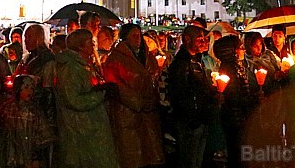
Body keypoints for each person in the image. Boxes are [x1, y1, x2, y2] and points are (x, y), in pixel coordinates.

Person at [54, 28, 119, 168]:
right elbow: (73, 99)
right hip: (81, 131)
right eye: (90, 42)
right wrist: (101, 95)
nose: (93, 46)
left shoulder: (83, 65)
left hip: (91, 128)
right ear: (81, 45)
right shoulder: (70, 68)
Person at [102, 23, 165, 168]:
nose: (138, 39)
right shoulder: (116, 58)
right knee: (132, 155)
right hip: (127, 113)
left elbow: (155, 79)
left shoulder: (148, 56)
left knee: (149, 153)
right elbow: (116, 85)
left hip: (148, 113)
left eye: (139, 36)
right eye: (133, 36)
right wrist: (137, 102)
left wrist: (153, 99)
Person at [166, 24, 217, 168]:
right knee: (190, 159)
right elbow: (181, 93)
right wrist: (192, 118)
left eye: (204, 39)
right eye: (200, 39)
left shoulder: (198, 60)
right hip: (190, 121)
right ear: (188, 40)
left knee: (197, 159)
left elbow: (201, 88)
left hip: (201, 117)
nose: (204, 42)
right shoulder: (181, 64)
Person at [213, 35, 254, 166]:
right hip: (235, 118)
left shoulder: (236, 67)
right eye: (240, 48)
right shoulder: (231, 69)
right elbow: (235, 96)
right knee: (237, 154)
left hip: (237, 117)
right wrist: (253, 100)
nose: (243, 50)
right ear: (232, 51)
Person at [0, 75, 56, 168]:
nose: (30, 91)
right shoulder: (7, 109)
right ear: (18, 89)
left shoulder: (34, 111)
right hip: (10, 155)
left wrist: (35, 158)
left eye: (32, 89)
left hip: (29, 158)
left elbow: (40, 137)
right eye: (26, 88)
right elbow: (2, 134)